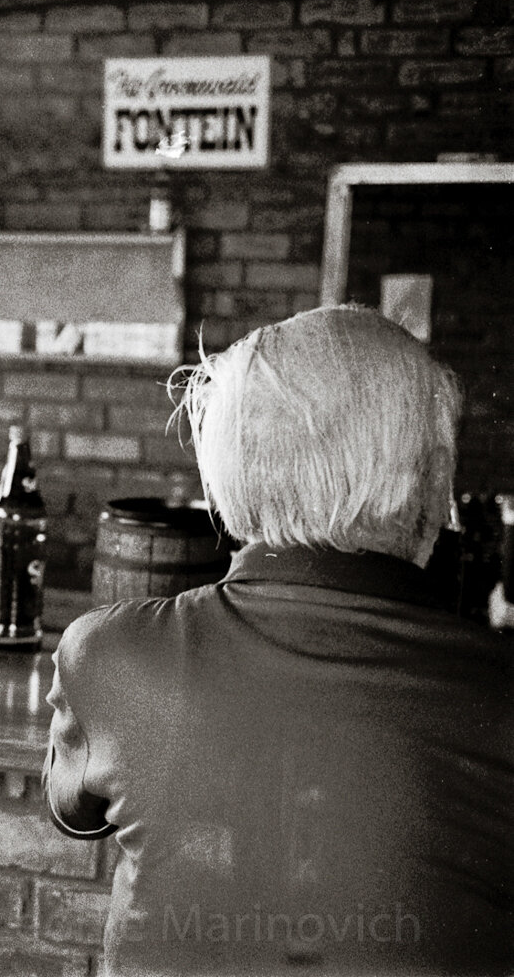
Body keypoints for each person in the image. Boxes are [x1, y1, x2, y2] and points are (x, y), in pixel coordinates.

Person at [44, 306, 514, 976]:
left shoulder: (109, 654)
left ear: (231, 463)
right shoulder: (497, 692)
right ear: (432, 479)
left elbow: (74, 812)